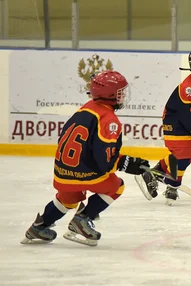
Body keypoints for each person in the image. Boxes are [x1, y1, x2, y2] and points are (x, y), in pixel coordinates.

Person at [21, 70, 150, 246]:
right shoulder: (109, 119)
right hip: (83, 172)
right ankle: (82, 220)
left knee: (69, 198)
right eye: (120, 92)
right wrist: (127, 163)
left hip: (62, 172)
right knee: (116, 186)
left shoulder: (87, 108)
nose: (123, 96)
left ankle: (39, 226)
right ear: (110, 94)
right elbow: (104, 161)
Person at [140, 48, 191, 206]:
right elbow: (186, 115)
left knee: (187, 156)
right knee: (182, 157)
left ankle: (153, 173)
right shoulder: (189, 88)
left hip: (187, 121)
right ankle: (172, 184)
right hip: (175, 122)